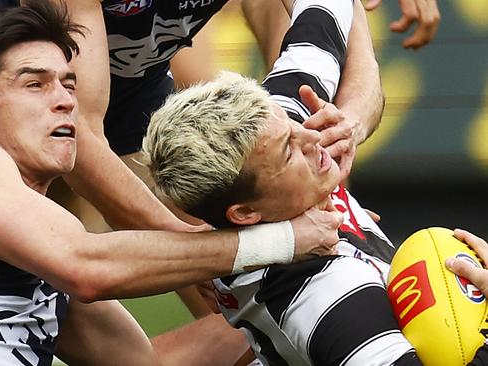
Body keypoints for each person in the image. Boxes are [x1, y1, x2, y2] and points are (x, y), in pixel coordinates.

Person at [0, 2, 343, 364]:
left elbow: (145, 361)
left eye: (69, 84)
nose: (63, 101)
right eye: (35, 84)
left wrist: (292, 313)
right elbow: (87, 266)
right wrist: (278, 242)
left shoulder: (42, 270)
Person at [142, 0, 486, 364]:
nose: (312, 139)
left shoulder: (274, 130)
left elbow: (327, 8)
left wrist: (350, 116)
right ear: (246, 213)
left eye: (291, 125)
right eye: (289, 151)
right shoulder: (318, 292)